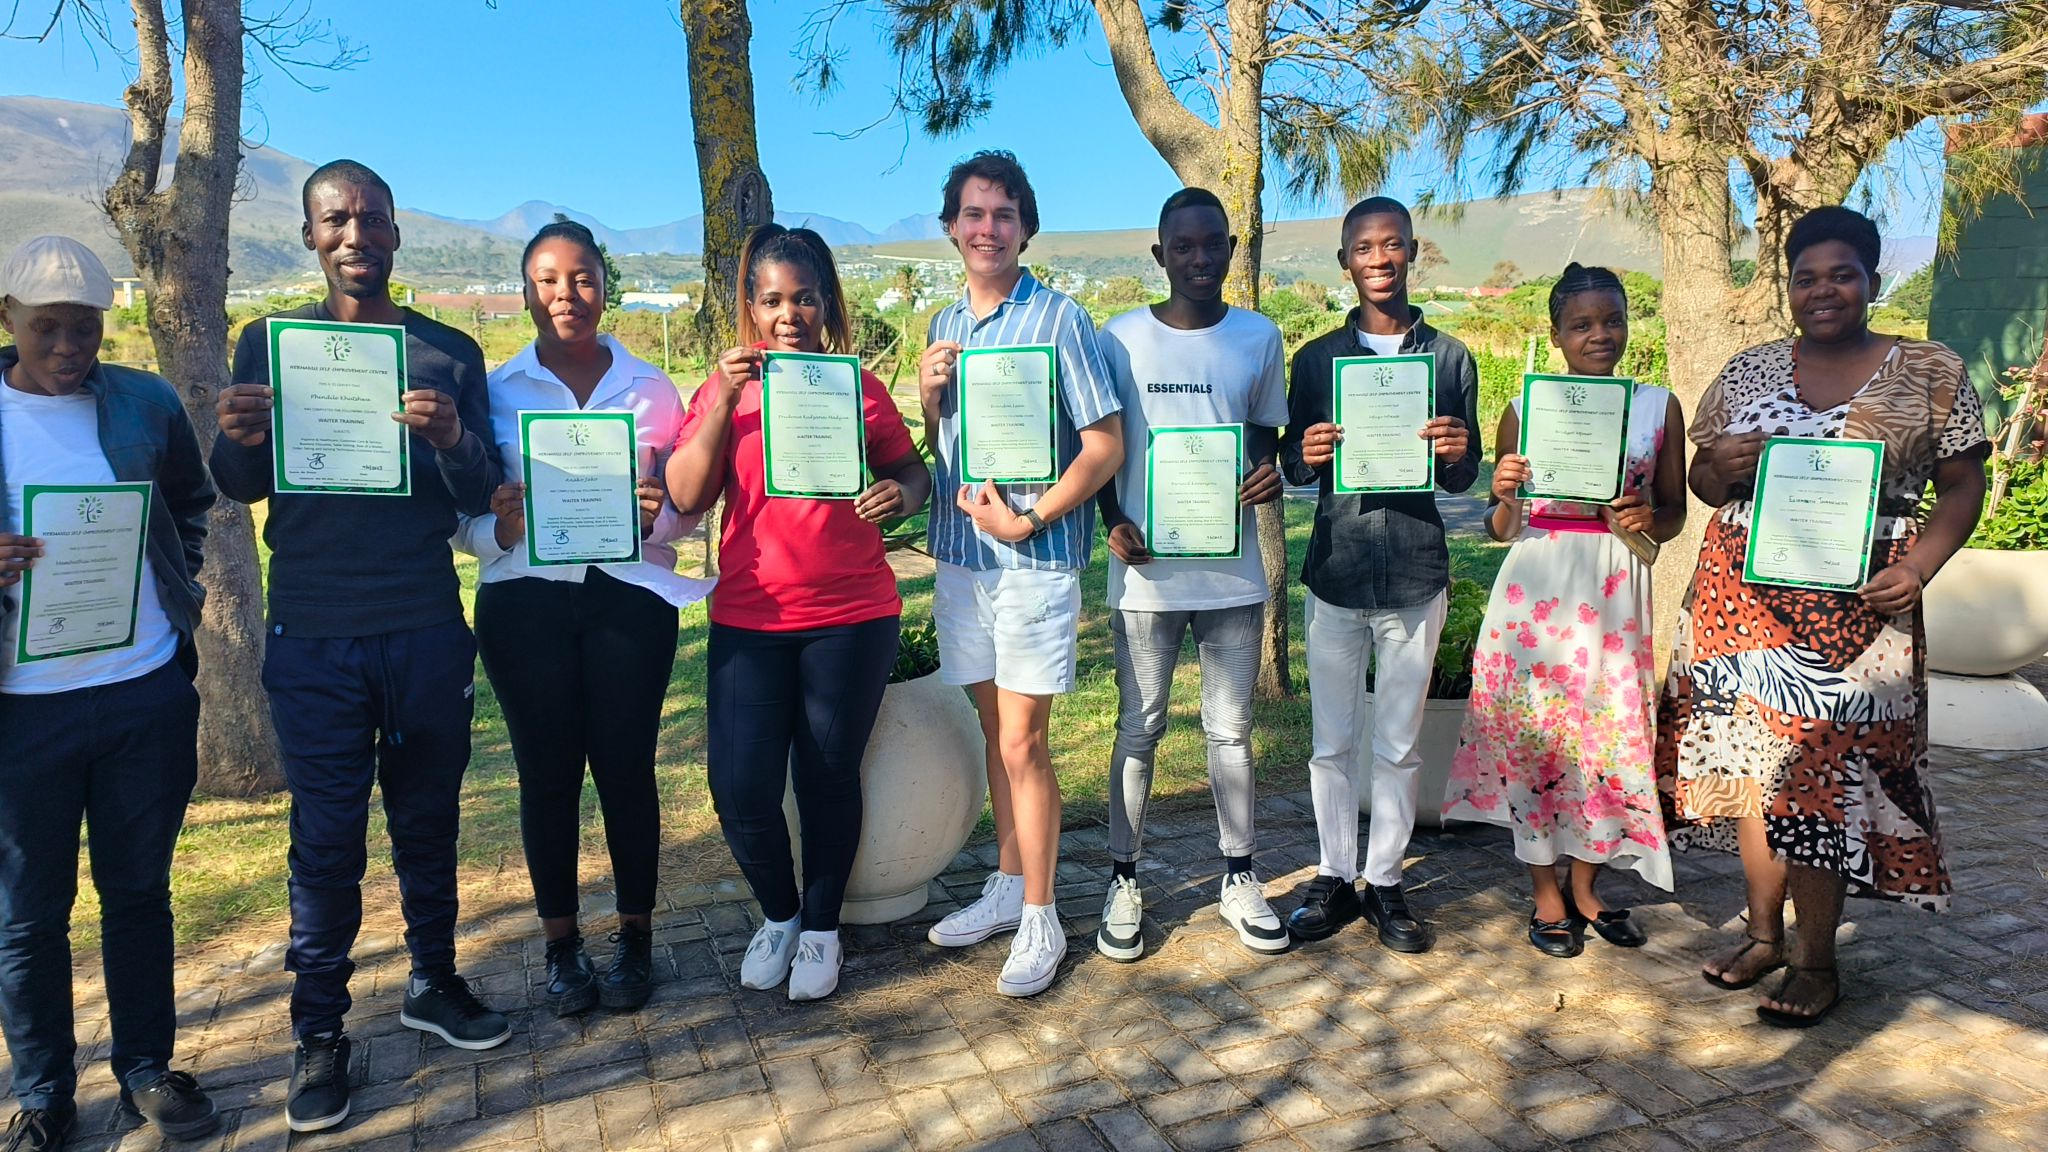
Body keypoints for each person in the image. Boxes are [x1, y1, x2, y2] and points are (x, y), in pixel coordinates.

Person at [211, 160, 510, 1134]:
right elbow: (239, 484)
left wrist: (458, 436)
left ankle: (432, 981)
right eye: (335, 220)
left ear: (393, 233)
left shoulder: (445, 351)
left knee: (427, 824)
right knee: (327, 843)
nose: (355, 235)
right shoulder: (269, 342)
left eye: (372, 219)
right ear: (309, 235)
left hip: (423, 627)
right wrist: (238, 434)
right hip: (315, 637)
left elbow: (480, 498)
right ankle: (318, 1033)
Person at [1658, 206, 1987, 1027]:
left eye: (1843, 273)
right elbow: (1703, 480)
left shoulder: (1930, 370)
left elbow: (1963, 488)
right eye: (1807, 276)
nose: (1824, 290)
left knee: (1824, 778)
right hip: (1744, 600)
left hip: (1861, 608)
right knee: (1749, 763)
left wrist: (1917, 568)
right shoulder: (1748, 371)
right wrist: (1715, 465)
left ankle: (1815, 959)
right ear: (1790, 286)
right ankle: (1764, 934)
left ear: (1873, 280)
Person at [667, 224, 930, 1002]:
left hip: (851, 615)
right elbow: (685, 496)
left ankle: (821, 931)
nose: (790, 314)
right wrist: (721, 396)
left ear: (826, 304)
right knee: (740, 787)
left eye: (805, 298)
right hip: (751, 616)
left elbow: (911, 475)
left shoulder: (857, 388)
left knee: (826, 775)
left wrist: (898, 495)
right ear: (749, 307)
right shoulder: (723, 395)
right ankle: (778, 914)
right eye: (773, 300)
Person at [0, 237, 219, 1151]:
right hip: (22, 707)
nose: (67, 347)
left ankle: (143, 1069)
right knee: (25, 912)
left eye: (84, 328)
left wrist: (181, 601)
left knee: (138, 892)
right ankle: (45, 1092)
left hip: (141, 692)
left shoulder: (145, 402)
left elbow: (190, 505)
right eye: (47, 328)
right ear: (8, 319)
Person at [456, 220, 705, 1016]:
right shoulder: (493, 393)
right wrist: (503, 522)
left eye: (584, 277)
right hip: (524, 602)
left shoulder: (652, 390)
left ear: (608, 285)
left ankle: (635, 938)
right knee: (548, 778)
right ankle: (563, 950)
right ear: (526, 291)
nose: (568, 294)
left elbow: (683, 519)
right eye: (549, 280)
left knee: (628, 770)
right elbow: (461, 523)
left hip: (627, 599)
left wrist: (659, 511)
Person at [916, 151, 1124, 997]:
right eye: (972, 213)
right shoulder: (942, 324)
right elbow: (943, 452)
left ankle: (1042, 916)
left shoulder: (1061, 320)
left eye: (1003, 214)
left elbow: (1104, 447)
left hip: (1033, 561)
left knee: (1022, 743)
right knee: (993, 734)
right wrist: (929, 399)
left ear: (1025, 227)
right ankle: (1006, 886)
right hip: (963, 562)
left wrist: (1031, 517)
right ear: (951, 227)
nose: (987, 228)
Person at [1442, 264, 1686, 957]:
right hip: (1538, 590)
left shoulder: (1655, 405)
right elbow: (1501, 527)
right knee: (1535, 739)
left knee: (1607, 741)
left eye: (1611, 320)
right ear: (1555, 335)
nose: (1599, 334)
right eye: (1581, 324)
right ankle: (1545, 891)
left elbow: (1673, 515)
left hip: (1615, 588)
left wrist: (1648, 515)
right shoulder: (1526, 407)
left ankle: (1587, 886)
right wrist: (1506, 494)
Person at [1092, 189, 1290, 962]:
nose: (1200, 260)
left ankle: (1239, 877)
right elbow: (1101, 445)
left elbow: (1263, 437)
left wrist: (1268, 470)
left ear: (1232, 250)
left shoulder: (1258, 337)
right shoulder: (1119, 340)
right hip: (1147, 578)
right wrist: (1111, 517)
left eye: (1214, 246)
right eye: (1184, 247)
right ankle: (1123, 877)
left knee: (1230, 733)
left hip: (1233, 578)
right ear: (1160, 255)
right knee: (1138, 729)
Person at [1278, 195, 1479, 954]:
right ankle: (1333, 874)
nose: (1380, 260)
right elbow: (1294, 462)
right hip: (1337, 566)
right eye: (1365, 248)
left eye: (1393, 245)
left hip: (1417, 570)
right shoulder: (1318, 360)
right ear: (1345, 262)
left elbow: (1460, 482)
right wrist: (1310, 454)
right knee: (1332, 741)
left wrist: (1459, 451)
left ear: (1412, 252)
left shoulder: (1450, 357)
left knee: (1397, 743)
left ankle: (1386, 879)